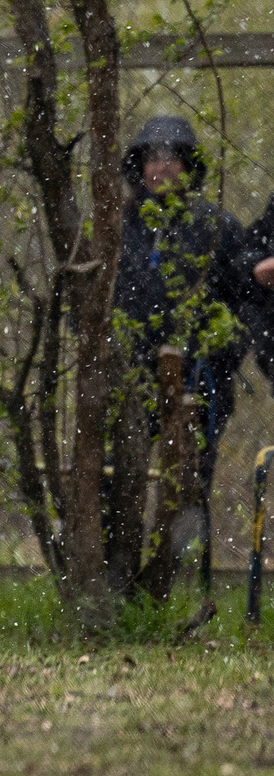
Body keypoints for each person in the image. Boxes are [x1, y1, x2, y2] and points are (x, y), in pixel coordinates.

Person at [116, 115, 257, 520]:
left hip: (199, 381)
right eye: (154, 156)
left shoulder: (217, 227)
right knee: (119, 476)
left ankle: (185, 572)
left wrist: (221, 358)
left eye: (173, 157)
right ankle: (113, 570)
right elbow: (89, 304)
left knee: (188, 486)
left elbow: (244, 304)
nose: (162, 167)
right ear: (139, 165)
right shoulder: (119, 227)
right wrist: (112, 357)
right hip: (130, 378)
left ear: (189, 166)